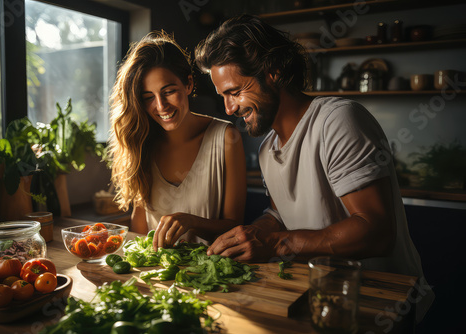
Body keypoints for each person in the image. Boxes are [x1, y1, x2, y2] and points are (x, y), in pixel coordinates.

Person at [195, 15, 433, 321]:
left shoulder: (338, 121)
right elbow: (280, 214)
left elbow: (376, 232)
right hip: (324, 298)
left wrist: (274, 244)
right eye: (223, 97)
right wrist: (253, 233)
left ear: (274, 73)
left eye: (235, 92)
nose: (229, 109)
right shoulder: (269, 148)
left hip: (380, 303)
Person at [108, 31, 247, 250]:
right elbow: (140, 232)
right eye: (148, 98)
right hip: (158, 276)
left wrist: (191, 222)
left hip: (213, 274)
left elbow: (235, 228)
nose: (161, 106)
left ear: (189, 84)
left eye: (169, 91)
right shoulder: (142, 143)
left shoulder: (226, 137)